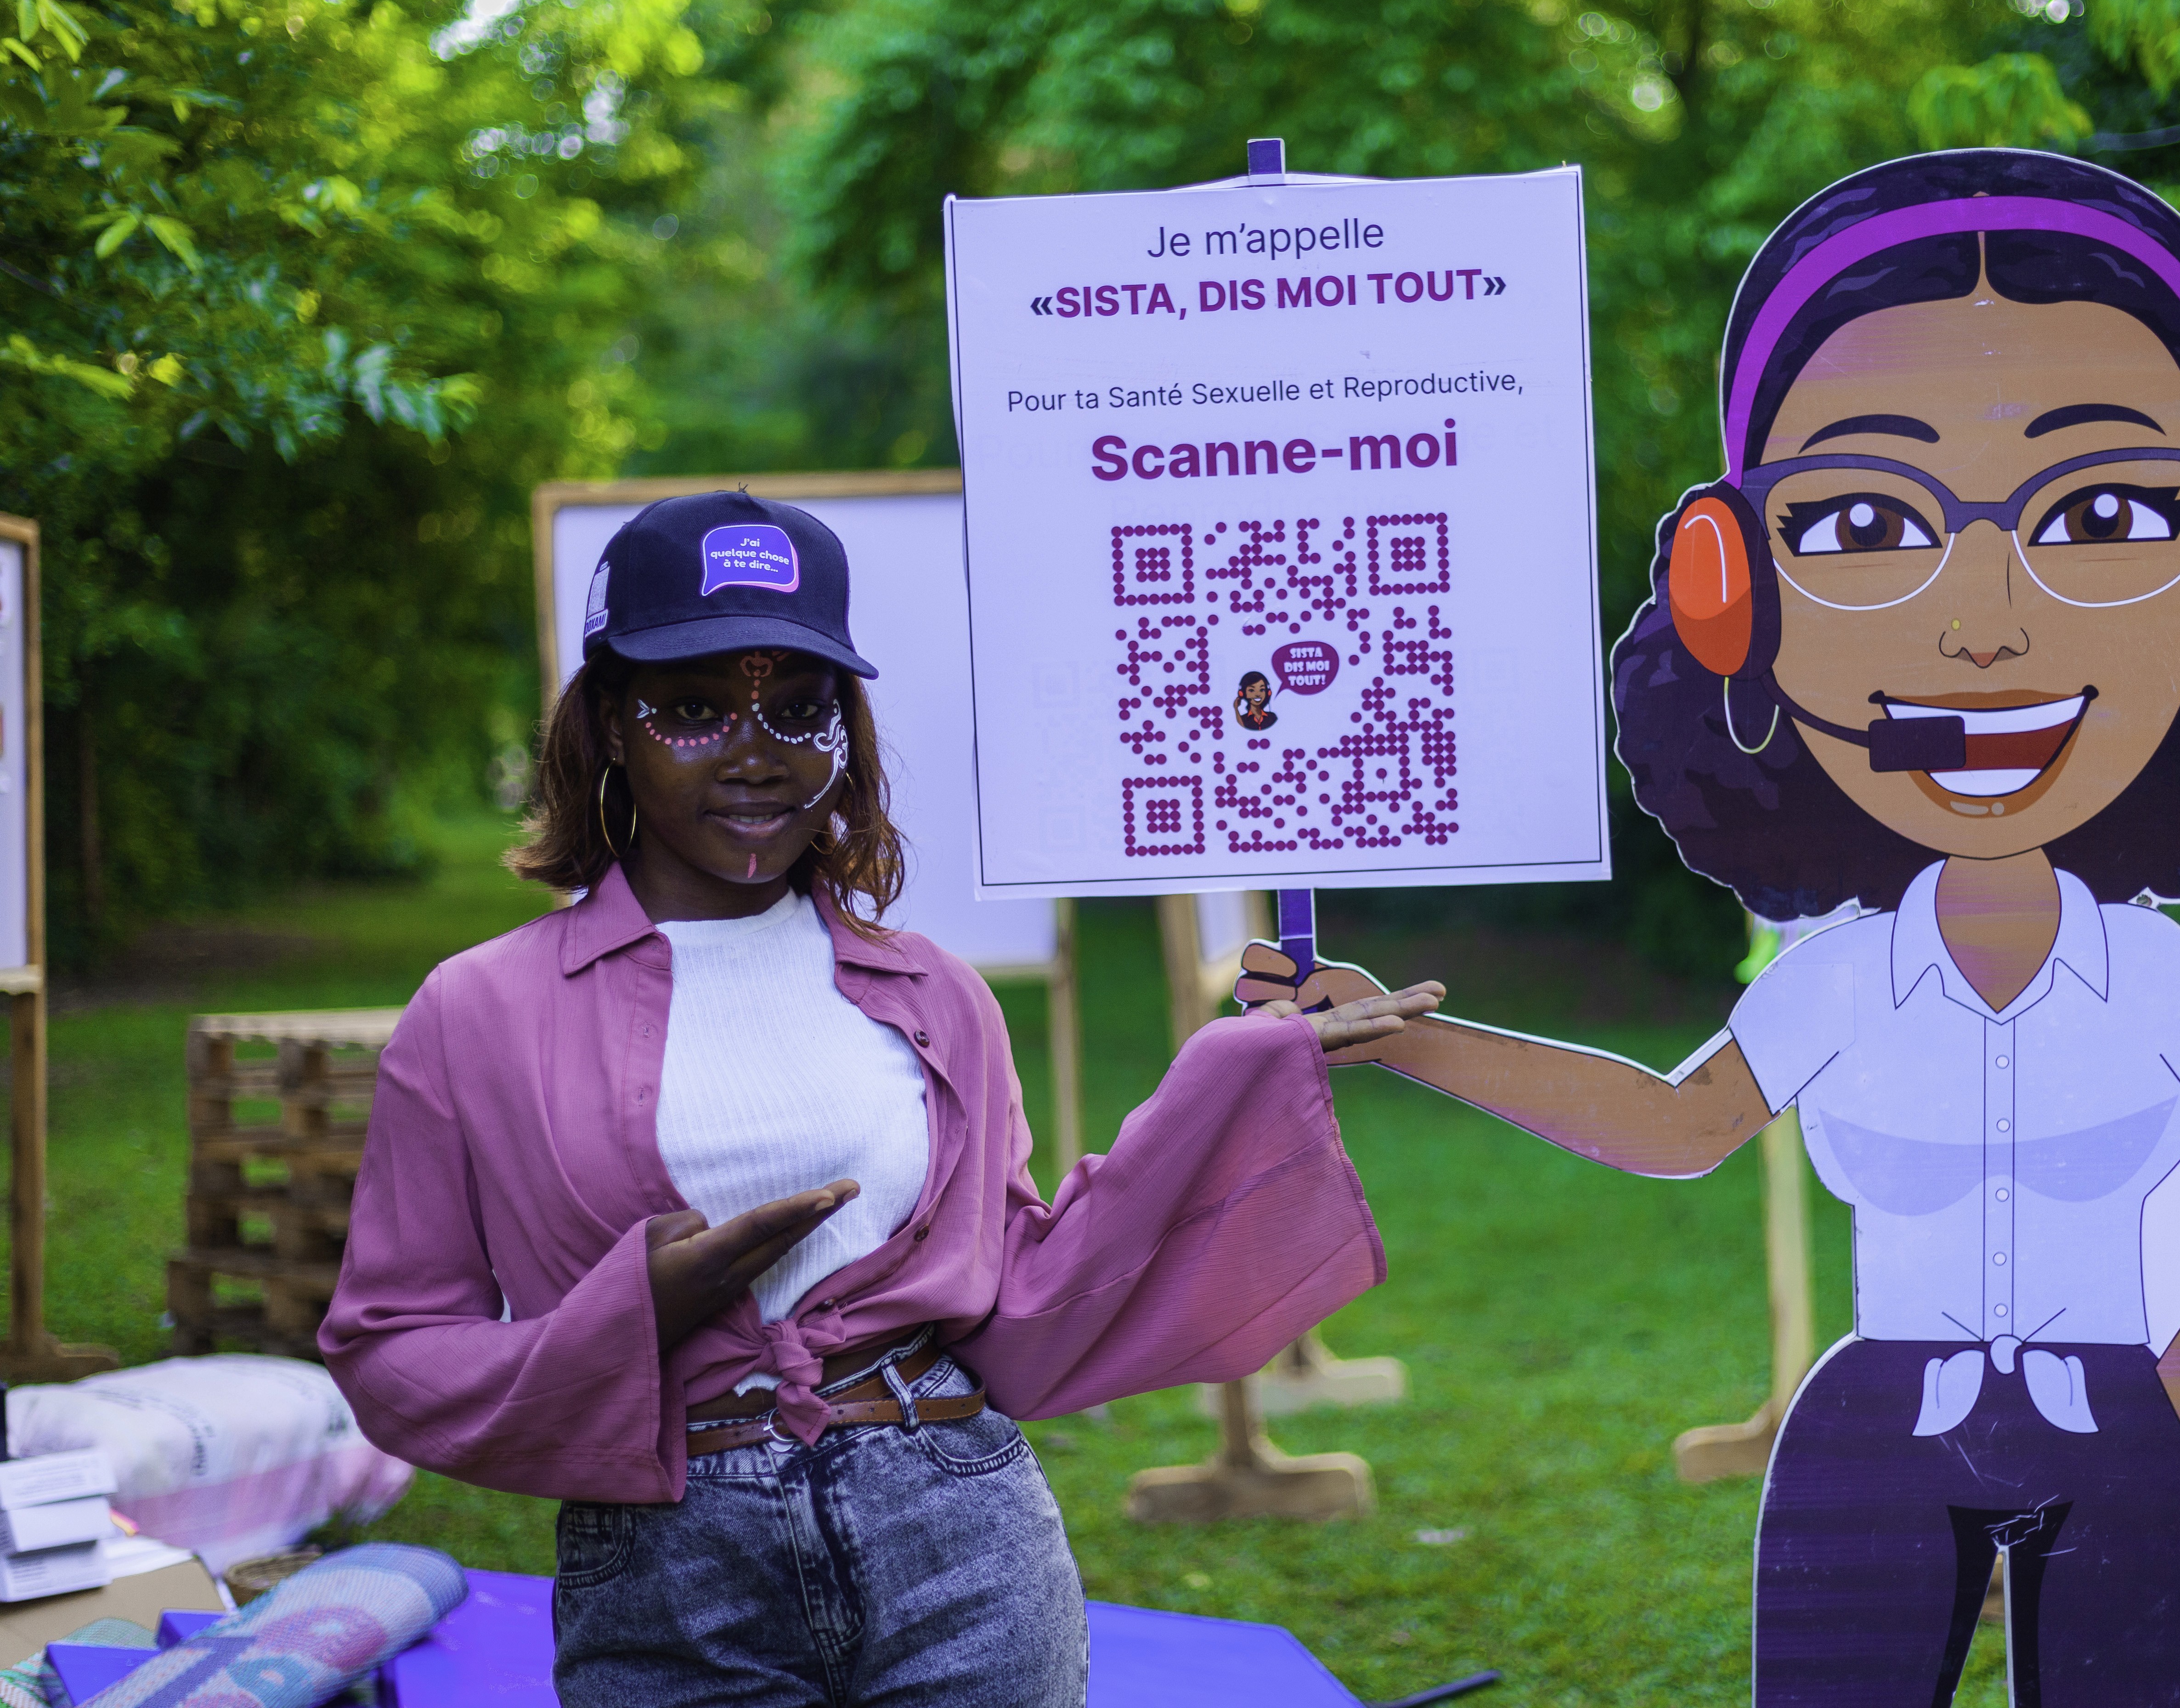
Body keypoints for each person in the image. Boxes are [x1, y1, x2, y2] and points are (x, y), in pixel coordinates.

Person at [1244, 150, 2180, 1707]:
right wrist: (1404, 1037)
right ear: (1739, 597)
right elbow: (1677, 1127)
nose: (1985, 628)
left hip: (2122, 1431)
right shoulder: (1840, 977)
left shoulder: (2158, 979)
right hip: (1870, 1437)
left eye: (2105, 513)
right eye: (1860, 525)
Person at [319, 491, 1441, 1707]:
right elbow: (391, 1351)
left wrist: (1232, 1072)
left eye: (799, 709)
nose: (756, 752)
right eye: (693, 709)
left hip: (959, 1541)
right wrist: (630, 1313)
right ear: (609, 729)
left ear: (843, 734)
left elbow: (1018, 1286)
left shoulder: (937, 995)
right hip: (671, 1575)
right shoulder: (477, 1013)